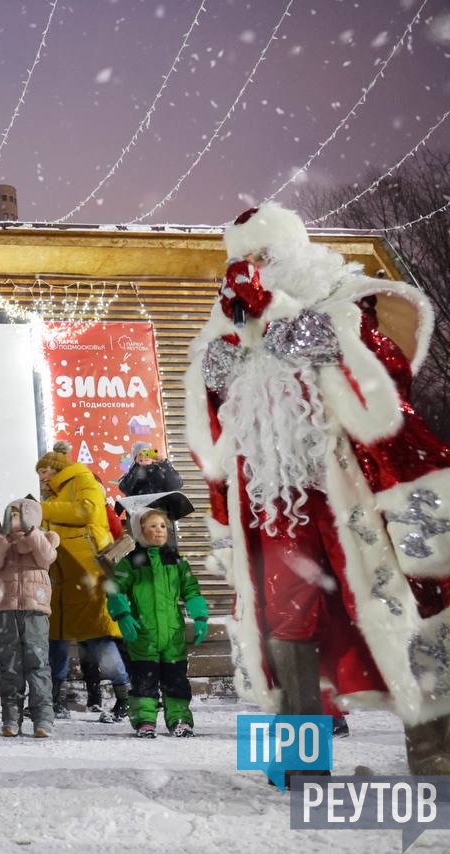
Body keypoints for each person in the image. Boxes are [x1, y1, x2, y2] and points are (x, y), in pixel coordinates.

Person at [185, 202, 450, 775]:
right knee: (281, 623)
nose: (254, 265)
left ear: (291, 249)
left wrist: (295, 328)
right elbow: (213, 404)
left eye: (263, 253)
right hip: (272, 497)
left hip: (351, 488)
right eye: (243, 258)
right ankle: (297, 765)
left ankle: (437, 752)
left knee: (399, 607)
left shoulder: (343, 298)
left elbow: (385, 375)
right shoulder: (232, 320)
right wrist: (235, 342)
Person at [36, 451, 130, 723]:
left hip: (87, 574)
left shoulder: (83, 480)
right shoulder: (52, 498)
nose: (42, 478)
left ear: (57, 468)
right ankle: (54, 699)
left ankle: (124, 697)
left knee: (98, 637)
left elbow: (86, 510)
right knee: (57, 639)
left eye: (44, 471)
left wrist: (42, 510)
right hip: (61, 578)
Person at [106, 509, 208, 738]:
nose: (159, 530)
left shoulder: (177, 562)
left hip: (173, 635)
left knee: (176, 681)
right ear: (140, 531)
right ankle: (145, 721)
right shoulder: (130, 563)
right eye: (152, 526)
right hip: (143, 636)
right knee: (144, 681)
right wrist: (122, 614)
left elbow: (191, 590)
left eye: (162, 526)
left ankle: (180, 720)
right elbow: (114, 589)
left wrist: (200, 616)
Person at [0, 497, 57, 738]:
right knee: (10, 664)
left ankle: (43, 718)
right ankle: (11, 717)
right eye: (12, 514)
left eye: (20, 514)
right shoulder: (4, 542)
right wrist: (4, 537)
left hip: (36, 609)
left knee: (37, 662)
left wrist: (32, 531)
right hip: (6, 607)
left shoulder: (45, 538)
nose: (15, 519)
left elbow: (46, 558)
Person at [117, 444, 184, 497]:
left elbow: (177, 485)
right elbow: (124, 488)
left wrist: (164, 463)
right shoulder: (132, 472)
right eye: (140, 454)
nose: (144, 456)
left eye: (147, 453)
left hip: (160, 508)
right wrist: (137, 465)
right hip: (138, 508)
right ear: (135, 458)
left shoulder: (161, 470)